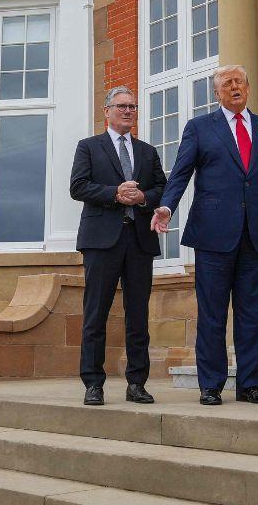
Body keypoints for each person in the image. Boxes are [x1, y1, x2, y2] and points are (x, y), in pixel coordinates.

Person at [153, 65, 258, 406]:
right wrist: (167, 207)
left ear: (248, 88)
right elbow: (180, 174)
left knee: (255, 313)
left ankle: (251, 385)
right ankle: (211, 384)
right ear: (216, 92)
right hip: (213, 235)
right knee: (212, 313)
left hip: (256, 235)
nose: (234, 86)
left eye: (239, 81)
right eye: (227, 83)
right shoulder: (199, 128)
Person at [70, 86, 166, 406]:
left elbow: (161, 190)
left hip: (139, 240)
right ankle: (93, 384)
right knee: (95, 313)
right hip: (101, 241)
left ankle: (137, 383)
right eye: (121, 106)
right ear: (107, 111)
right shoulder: (89, 147)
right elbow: (78, 186)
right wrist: (115, 193)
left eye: (132, 107)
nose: (128, 111)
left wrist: (143, 197)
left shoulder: (148, 152)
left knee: (137, 315)